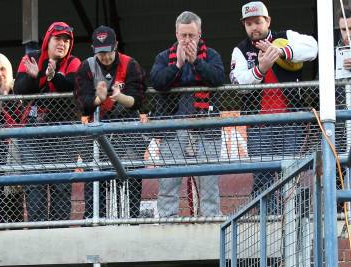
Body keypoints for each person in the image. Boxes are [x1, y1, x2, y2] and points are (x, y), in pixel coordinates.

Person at [230, 2, 318, 198]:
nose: (254, 27)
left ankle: (293, 220)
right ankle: (269, 221)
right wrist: (260, 69)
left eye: (258, 22)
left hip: (291, 122)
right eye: (249, 23)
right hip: (258, 126)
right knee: (262, 179)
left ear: (268, 20)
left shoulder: (285, 37)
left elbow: (313, 47)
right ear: (244, 25)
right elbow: (238, 83)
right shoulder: (240, 50)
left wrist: (281, 52)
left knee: (292, 175)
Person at [150, 11, 224, 218]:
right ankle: (167, 221)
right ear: (176, 34)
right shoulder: (164, 57)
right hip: (172, 128)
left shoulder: (211, 56)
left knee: (209, 184)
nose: (187, 40)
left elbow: (218, 78)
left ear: (200, 34)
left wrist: (196, 63)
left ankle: (210, 222)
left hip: (206, 128)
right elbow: (157, 82)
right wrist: (178, 65)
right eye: (183, 36)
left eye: (191, 35)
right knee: (168, 183)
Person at [74, 26, 146, 219]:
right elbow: (83, 102)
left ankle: (132, 221)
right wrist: (98, 99)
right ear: (93, 49)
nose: (105, 57)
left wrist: (119, 96)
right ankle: (94, 220)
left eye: (108, 51)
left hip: (127, 128)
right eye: (100, 53)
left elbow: (138, 100)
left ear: (116, 46)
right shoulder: (86, 67)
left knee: (131, 176)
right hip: (98, 128)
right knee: (96, 178)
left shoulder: (130, 64)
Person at [14, 22, 81, 222]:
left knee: (61, 187)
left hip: (63, 135)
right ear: (47, 40)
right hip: (33, 135)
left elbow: (71, 88)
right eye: (58, 39)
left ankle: (60, 240)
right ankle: (37, 235)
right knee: (34, 187)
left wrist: (52, 77)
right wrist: (35, 78)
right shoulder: (31, 58)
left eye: (66, 40)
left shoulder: (74, 62)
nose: (62, 44)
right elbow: (19, 90)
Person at [0, 53, 24, 224]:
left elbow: (21, 118)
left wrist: (6, 98)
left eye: (2, 69)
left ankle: (16, 232)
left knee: (17, 194)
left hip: (18, 149)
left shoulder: (19, 90)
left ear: (8, 69)